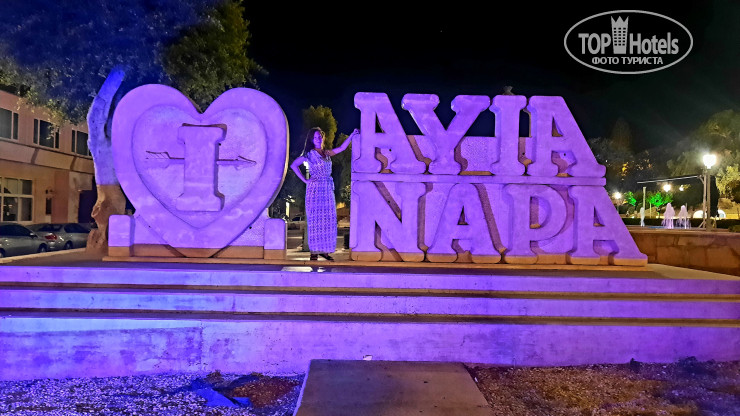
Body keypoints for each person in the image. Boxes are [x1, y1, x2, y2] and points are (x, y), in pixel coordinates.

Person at [290, 127, 359, 261]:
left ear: (323, 138)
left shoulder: (326, 153)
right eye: (315, 137)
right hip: (315, 189)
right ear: (311, 140)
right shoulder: (309, 154)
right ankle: (314, 252)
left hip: (327, 188)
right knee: (315, 220)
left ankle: (325, 251)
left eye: (320, 137)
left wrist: (351, 135)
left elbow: (341, 148)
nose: (318, 139)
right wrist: (305, 180)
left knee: (328, 220)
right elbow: (294, 165)